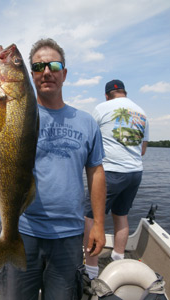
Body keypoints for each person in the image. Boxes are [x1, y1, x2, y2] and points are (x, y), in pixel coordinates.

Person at [0, 38, 106, 300]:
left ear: (64, 73)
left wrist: (98, 224)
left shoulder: (87, 122)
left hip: (69, 235)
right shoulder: (14, 108)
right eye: (38, 66)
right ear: (30, 74)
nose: (46, 71)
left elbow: (96, 172)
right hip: (23, 229)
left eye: (53, 65)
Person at [83, 79, 149, 281]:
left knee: (91, 217)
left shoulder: (102, 108)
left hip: (110, 172)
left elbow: (89, 138)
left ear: (107, 94)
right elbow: (143, 149)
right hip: (135, 172)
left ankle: (91, 270)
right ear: (124, 92)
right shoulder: (142, 113)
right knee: (121, 215)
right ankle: (118, 258)